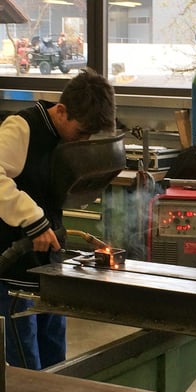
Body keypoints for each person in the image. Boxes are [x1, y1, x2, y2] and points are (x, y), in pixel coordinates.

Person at [0, 68, 115, 370]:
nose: (83, 140)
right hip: (14, 266)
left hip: (48, 264)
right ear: (61, 111)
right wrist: (34, 221)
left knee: (55, 358)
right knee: (26, 364)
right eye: (81, 132)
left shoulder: (63, 136)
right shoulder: (22, 128)